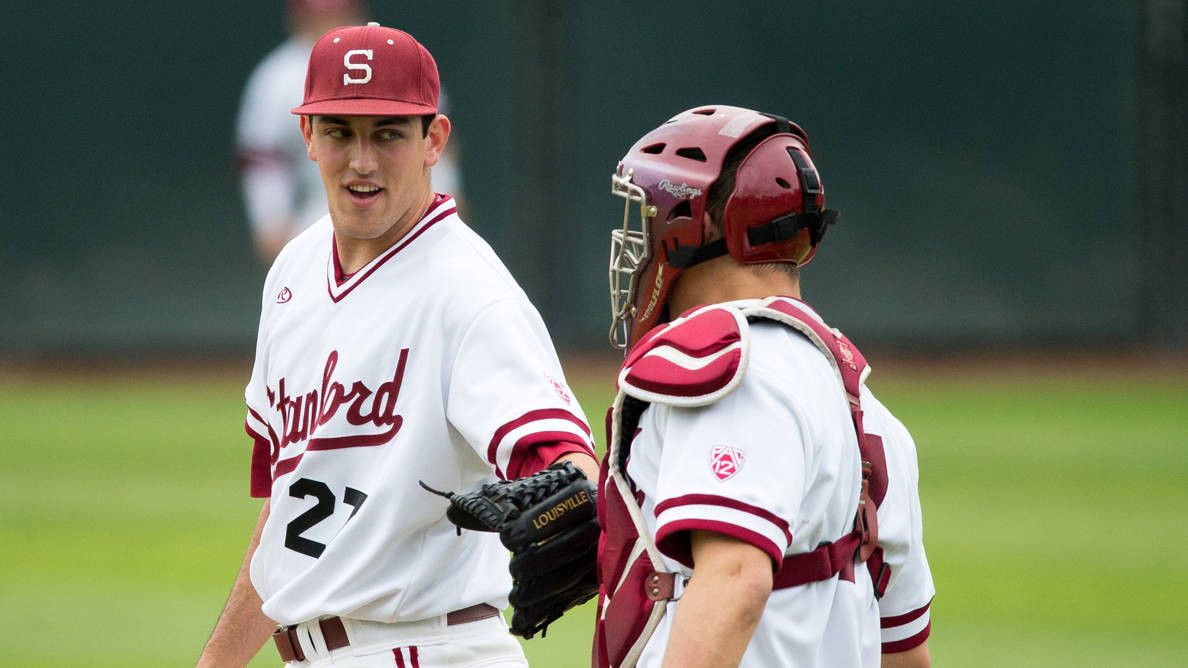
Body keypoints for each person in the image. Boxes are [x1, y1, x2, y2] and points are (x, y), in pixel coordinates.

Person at [199, 22, 597, 667]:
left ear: (434, 139)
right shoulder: (294, 274)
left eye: (388, 133)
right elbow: (287, 526)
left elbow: (564, 460)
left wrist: (572, 488)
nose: (362, 161)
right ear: (307, 137)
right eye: (339, 133)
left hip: (430, 648)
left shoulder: (468, 291)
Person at [592, 105, 934, 667]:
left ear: (694, 223)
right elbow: (903, 650)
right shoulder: (864, 407)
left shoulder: (725, 369)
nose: (639, 236)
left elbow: (734, 579)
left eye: (647, 211)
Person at [235, 0, 466, 264]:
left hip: (405, 214)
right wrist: (271, 219)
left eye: (336, 13)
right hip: (319, 211)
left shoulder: (401, 59)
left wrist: (448, 198)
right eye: (338, 132)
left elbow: (435, 144)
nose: (327, 22)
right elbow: (262, 159)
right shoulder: (277, 78)